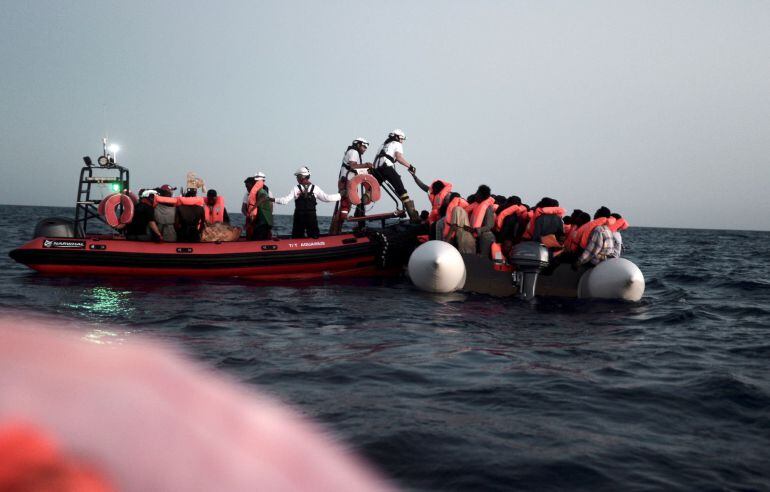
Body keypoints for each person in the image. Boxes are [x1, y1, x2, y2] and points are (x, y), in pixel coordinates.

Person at [273, 167, 341, 239]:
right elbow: (327, 198)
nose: (296, 179)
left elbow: (285, 200)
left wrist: (272, 199)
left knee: (297, 237)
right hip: (311, 216)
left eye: (297, 177)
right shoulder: (315, 188)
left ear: (302, 177)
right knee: (314, 236)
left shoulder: (295, 188)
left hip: (299, 217)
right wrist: (340, 195)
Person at [372, 129, 419, 222]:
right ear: (397, 137)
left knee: (370, 192)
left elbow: (387, 157)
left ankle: (359, 218)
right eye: (402, 139)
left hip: (377, 169)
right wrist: (410, 167)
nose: (402, 141)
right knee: (401, 190)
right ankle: (414, 219)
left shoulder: (384, 145)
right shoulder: (397, 144)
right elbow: (399, 157)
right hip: (387, 168)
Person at [330, 138, 372, 235]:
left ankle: (336, 231)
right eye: (364, 146)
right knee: (345, 207)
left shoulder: (353, 152)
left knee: (345, 207)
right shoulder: (354, 152)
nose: (365, 149)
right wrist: (366, 165)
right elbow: (353, 166)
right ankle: (335, 233)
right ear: (358, 145)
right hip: (347, 182)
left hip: (348, 181)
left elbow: (354, 168)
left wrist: (365, 168)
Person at [468, 185, 496, 258]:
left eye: (477, 193)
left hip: (486, 238)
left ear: (482, 196)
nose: (476, 195)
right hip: (478, 236)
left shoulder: (487, 208)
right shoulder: (477, 205)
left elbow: (490, 225)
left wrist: (476, 230)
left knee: (483, 259)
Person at [248, 173, 273, 240]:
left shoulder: (262, 191)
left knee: (258, 238)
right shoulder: (258, 191)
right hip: (261, 220)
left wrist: (253, 208)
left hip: (263, 220)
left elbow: (263, 197)